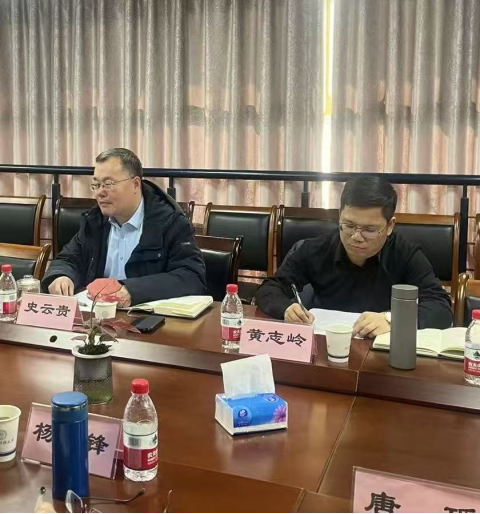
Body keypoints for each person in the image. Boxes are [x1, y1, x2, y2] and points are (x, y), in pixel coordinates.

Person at [255, 175, 453, 337]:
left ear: (390, 226)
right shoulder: (316, 249)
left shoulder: (405, 254)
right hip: (327, 347)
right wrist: (286, 309)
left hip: (380, 354)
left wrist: (392, 320)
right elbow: (270, 288)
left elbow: (440, 308)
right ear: (339, 215)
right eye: (349, 225)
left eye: (369, 229)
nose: (357, 237)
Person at [42, 148, 207, 307]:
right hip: (96, 315)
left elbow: (191, 277)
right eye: (96, 185)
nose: (100, 193)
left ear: (135, 184)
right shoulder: (94, 221)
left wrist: (132, 291)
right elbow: (68, 258)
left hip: (148, 319)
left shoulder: (170, 222)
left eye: (108, 184)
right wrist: (62, 276)